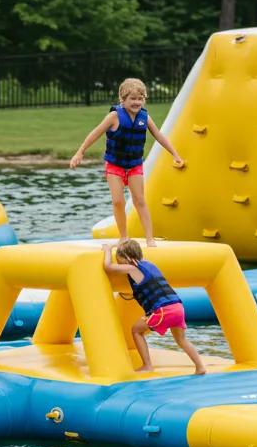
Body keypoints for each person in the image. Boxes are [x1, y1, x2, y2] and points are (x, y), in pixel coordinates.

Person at [69, 78, 183, 247]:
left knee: (140, 200)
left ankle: (150, 239)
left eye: (140, 99)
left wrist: (175, 153)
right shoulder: (114, 116)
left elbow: (159, 135)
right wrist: (80, 152)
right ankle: (124, 237)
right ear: (122, 99)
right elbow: (96, 132)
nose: (137, 102)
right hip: (114, 165)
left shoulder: (145, 117)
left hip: (134, 165)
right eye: (133, 99)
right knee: (118, 201)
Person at [103, 240, 206, 375]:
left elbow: (108, 267)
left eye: (119, 260)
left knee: (136, 331)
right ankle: (200, 367)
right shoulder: (150, 265)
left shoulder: (132, 268)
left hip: (163, 310)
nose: (119, 263)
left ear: (127, 258)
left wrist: (108, 249)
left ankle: (147, 365)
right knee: (181, 339)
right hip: (177, 307)